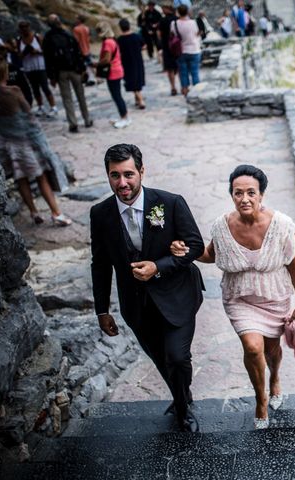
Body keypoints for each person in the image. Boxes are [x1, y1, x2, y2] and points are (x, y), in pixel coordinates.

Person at [170, 165, 295, 429]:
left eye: (251, 193)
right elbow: (211, 255)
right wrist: (185, 251)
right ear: (231, 195)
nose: (244, 198)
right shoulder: (221, 226)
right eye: (238, 193)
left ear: (261, 195)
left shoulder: (282, 225)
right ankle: (261, 399)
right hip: (240, 298)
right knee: (253, 347)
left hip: (274, 296)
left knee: (272, 348)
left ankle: (275, 377)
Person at [90, 143, 205, 432]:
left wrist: (159, 265)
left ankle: (183, 409)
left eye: (128, 174)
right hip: (136, 304)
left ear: (142, 171)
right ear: (108, 176)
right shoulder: (100, 214)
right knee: (161, 360)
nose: (122, 182)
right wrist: (102, 310)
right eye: (115, 175)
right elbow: (100, 264)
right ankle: (182, 395)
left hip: (178, 294)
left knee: (178, 357)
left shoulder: (169, 202)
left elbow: (195, 245)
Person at [0, 60, 72, 226]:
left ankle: (33, 212)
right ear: (5, 73)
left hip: (6, 144)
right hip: (24, 143)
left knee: (21, 178)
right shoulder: (14, 91)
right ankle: (56, 212)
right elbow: (29, 115)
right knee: (41, 177)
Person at [42, 14, 92, 133]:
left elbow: (47, 59)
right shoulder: (68, 34)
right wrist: (82, 68)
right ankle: (87, 119)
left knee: (67, 99)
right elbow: (77, 52)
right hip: (75, 70)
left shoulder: (48, 38)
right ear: (59, 22)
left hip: (60, 73)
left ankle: (73, 123)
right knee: (81, 96)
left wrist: (51, 77)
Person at [17, 21, 58, 116]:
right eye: (22, 27)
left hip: (40, 66)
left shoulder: (37, 37)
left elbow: (46, 50)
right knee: (35, 88)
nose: (24, 29)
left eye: (25, 27)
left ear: (29, 27)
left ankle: (53, 107)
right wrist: (24, 53)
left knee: (45, 87)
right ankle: (40, 106)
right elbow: (19, 55)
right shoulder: (19, 40)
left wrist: (37, 52)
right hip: (28, 67)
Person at [96, 21, 130, 128]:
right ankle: (123, 116)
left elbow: (106, 59)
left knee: (116, 95)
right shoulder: (113, 40)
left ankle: (124, 118)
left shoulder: (107, 43)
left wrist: (95, 64)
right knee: (117, 95)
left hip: (112, 72)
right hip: (117, 69)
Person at [171, 4, 201, 96]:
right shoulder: (193, 22)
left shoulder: (174, 23)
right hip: (194, 49)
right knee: (195, 72)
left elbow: (173, 34)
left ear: (178, 12)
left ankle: (185, 90)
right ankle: (197, 92)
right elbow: (196, 34)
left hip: (181, 50)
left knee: (183, 72)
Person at [117, 19, 146, 110]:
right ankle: (137, 99)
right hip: (137, 60)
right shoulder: (136, 36)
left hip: (126, 62)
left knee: (131, 81)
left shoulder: (120, 40)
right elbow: (144, 46)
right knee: (137, 79)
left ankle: (140, 100)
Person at [158, 4, 179, 96]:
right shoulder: (176, 19)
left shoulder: (162, 20)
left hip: (167, 46)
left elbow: (159, 33)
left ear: (167, 9)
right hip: (177, 46)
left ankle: (173, 87)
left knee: (169, 69)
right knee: (178, 67)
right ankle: (183, 86)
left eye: (163, 8)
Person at [72, 15, 96, 85]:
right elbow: (88, 39)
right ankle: (92, 78)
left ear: (79, 20)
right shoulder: (86, 28)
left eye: (76, 19)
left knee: (83, 65)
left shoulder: (76, 29)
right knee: (89, 64)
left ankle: (87, 79)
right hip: (87, 48)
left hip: (80, 49)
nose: (75, 20)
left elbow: (76, 41)